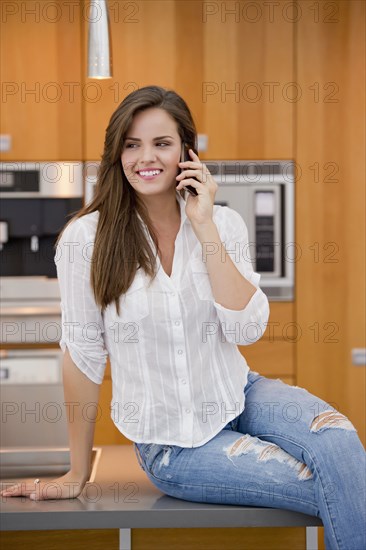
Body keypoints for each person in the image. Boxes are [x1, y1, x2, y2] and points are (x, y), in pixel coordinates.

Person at [1, 86, 365, 550]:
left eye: (161, 143)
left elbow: (245, 329)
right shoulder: (85, 239)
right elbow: (83, 353)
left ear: (187, 152)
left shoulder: (222, 223)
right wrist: (77, 471)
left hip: (239, 395)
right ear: (116, 154)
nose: (145, 157)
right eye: (131, 145)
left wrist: (204, 225)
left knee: (340, 443)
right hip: (173, 445)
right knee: (334, 480)